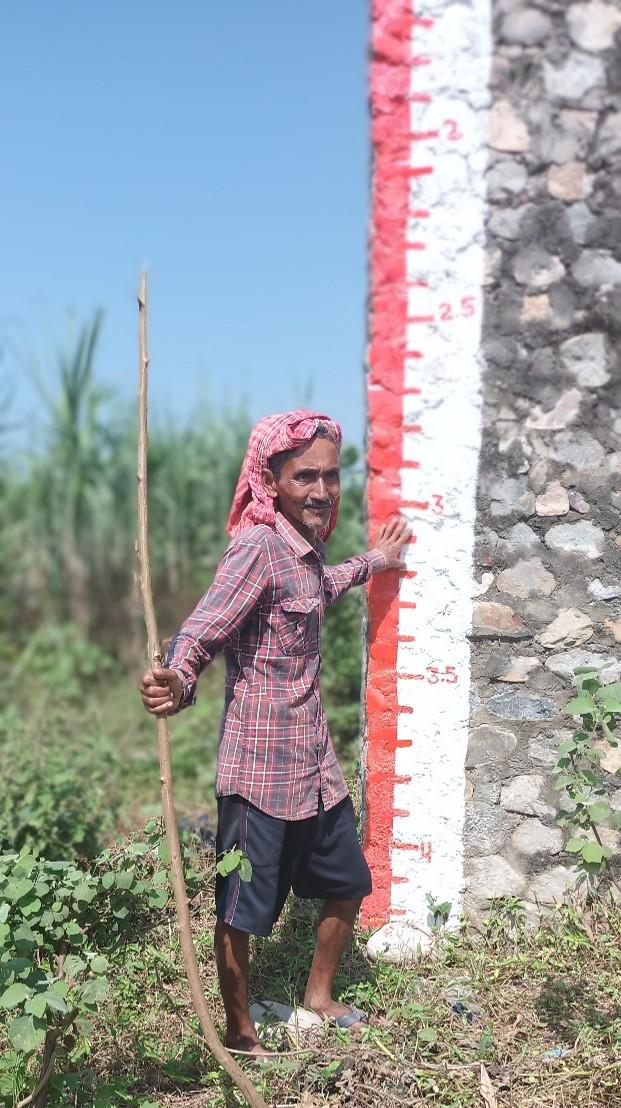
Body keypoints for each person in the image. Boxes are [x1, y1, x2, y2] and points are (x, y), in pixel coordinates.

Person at [140, 410, 410, 1056]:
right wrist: (176, 682)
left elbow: (320, 586)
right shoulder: (256, 547)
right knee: (241, 911)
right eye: (303, 477)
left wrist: (376, 560)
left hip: (313, 765)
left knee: (346, 884)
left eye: (328, 475)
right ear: (271, 482)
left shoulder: (303, 549)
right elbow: (202, 633)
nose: (320, 490)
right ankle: (240, 1034)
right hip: (258, 772)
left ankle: (316, 998)